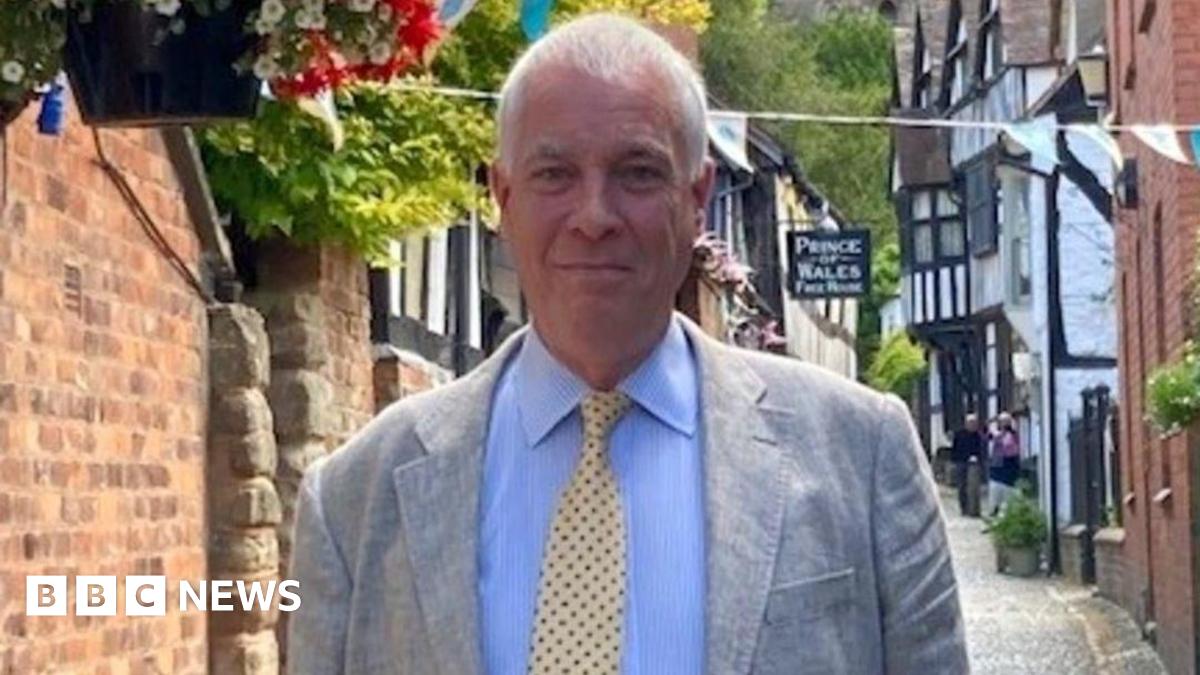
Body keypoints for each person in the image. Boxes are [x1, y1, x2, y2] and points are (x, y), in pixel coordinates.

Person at [286, 14, 967, 674]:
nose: (594, 216)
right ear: (502, 196)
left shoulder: (860, 453)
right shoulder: (354, 499)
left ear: (697, 196)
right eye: (554, 174)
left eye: (637, 172)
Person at [987, 412, 1022, 517]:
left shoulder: (1012, 434)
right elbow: (986, 435)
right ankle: (994, 509)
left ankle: (1006, 513)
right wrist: (990, 422)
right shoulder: (996, 434)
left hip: (1009, 465)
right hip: (997, 466)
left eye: (1005, 421)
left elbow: (1008, 446)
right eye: (1001, 421)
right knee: (995, 490)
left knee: (1008, 492)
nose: (1003, 424)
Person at [950, 414, 986, 516]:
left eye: (974, 423)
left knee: (973, 487)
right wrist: (954, 461)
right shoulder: (959, 434)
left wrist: (979, 459)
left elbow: (981, 450)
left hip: (974, 464)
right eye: (970, 423)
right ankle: (964, 508)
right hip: (961, 462)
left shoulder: (978, 436)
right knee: (962, 486)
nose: (972, 425)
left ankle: (973, 509)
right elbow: (955, 448)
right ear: (966, 424)